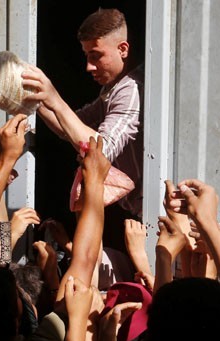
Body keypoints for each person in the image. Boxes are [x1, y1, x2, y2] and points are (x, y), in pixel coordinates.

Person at [22, 7, 144, 252]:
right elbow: (70, 127)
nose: (88, 66)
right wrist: (36, 101)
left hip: (150, 215)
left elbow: (102, 150)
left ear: (123, 49)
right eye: (86, 56)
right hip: (134, 214)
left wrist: (54, 99)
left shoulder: (131, 89)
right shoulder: (113, 88)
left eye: (96, 55)